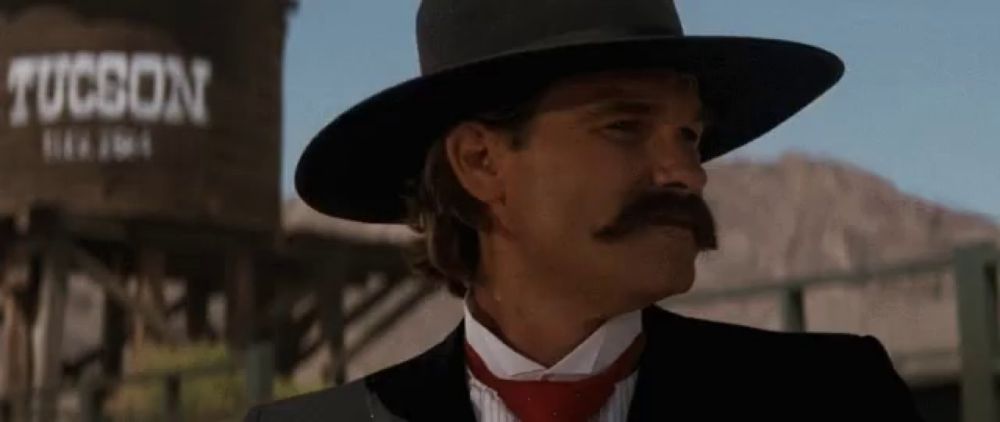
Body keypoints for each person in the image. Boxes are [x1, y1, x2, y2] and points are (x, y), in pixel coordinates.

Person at [247, 0, 924, 420]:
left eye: (689, 134)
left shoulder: (831, 402)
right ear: (480, 162)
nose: (684, 172)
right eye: (624, 126)